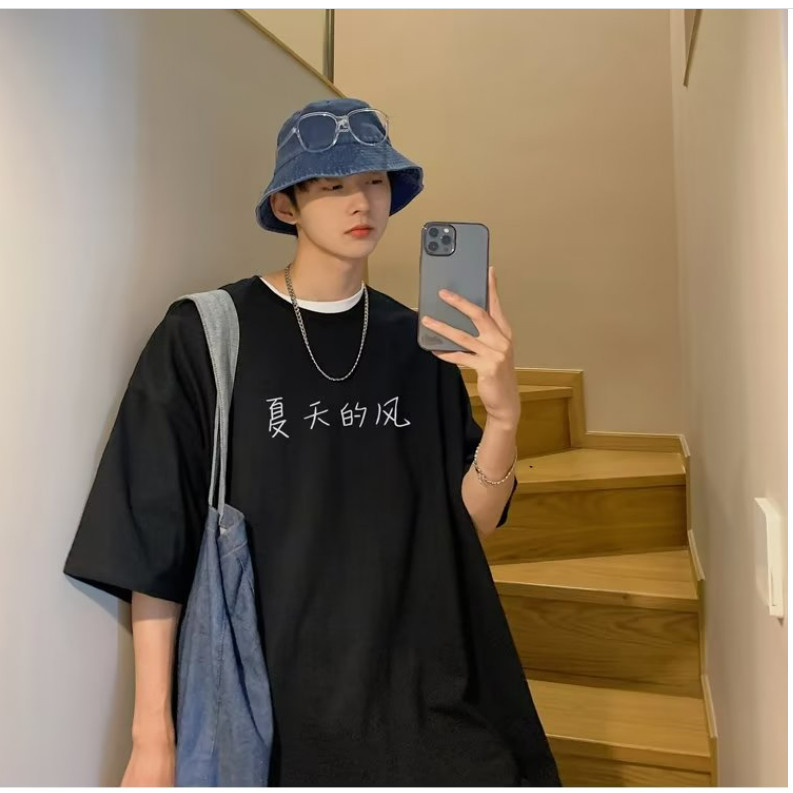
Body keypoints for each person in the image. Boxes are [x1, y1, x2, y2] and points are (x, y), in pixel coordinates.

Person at [63, 97, 561, 786]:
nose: (361, 201)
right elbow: (153, 539)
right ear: (287, 205)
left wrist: (503, 419)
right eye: (332, 185)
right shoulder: (205, 335)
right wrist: (153, 737)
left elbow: (465, 525)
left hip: (421, 683)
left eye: (375, 181)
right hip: (273, 701)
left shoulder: (417, 346)